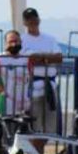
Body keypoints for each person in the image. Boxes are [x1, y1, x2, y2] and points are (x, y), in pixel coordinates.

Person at [20, 7, 63, 137]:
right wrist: (48, 58)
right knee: (36, 126)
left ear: (38, 20)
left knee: (50, 128)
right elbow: (31, 59)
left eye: (34, 18)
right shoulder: (22, 39)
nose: (32, 22)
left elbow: (59, 57)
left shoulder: (50, 38)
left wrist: (41, 57)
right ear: (25, 22)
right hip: (34, 87)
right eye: (29, 19)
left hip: (50, 86)